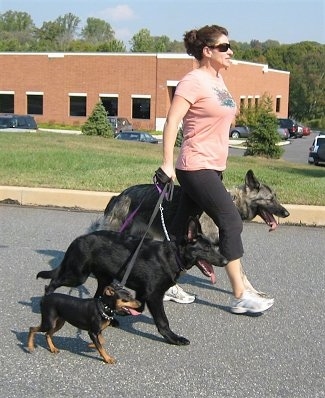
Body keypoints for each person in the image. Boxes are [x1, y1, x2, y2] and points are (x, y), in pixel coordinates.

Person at [161, 24, 274, 313]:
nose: (230, 51)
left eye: (229, 45)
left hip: (213, 166)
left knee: (178, 230)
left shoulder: (218, 81)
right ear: (207, 51)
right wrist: (166, 162)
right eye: (224, 47)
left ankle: (162, 281)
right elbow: (173, 122)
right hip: (195, 166)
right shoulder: (193, 81)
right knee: (231, 221)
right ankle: (240, 294)